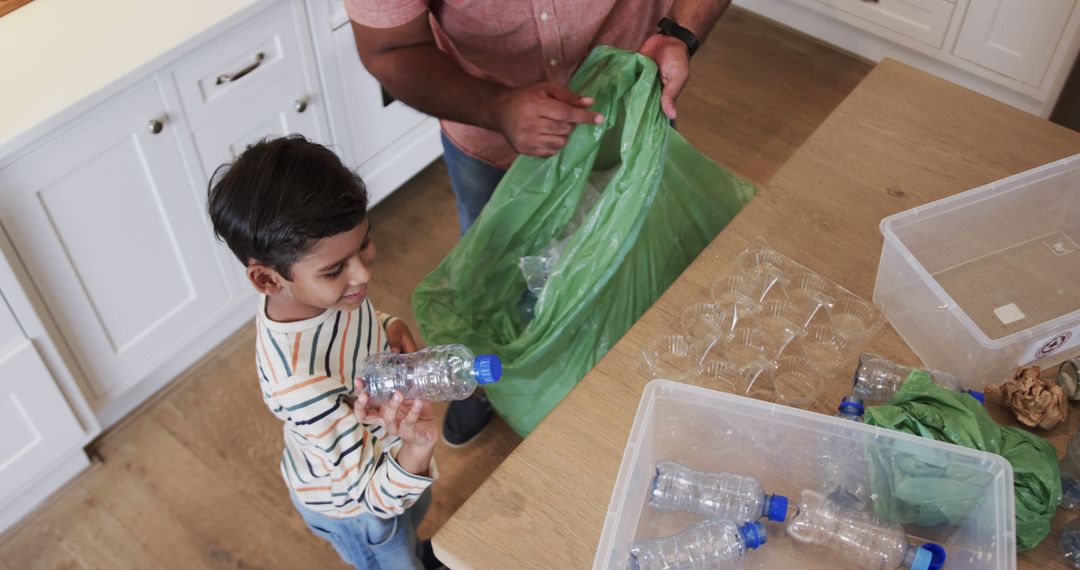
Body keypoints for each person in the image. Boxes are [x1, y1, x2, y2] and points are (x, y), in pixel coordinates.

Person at [345, 0, 732, 447]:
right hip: (490, 137)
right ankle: (487, 381)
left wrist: (679, 32)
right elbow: (389, 49)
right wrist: (495, 108)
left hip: (629, 107)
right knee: (496, 279)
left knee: (639, 251)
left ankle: (633, 361)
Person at [207, 136, 441, 570]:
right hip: (361, 511)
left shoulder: (323, 297)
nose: (364, 273)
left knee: (414, 528)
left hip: (390, 461)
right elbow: (372, 495)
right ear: (267, 280)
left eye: (364, 245)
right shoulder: (302, 385)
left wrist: (388, 325)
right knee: (396, 557)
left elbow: (350, 326)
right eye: (336, 269)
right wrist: (419, 447)